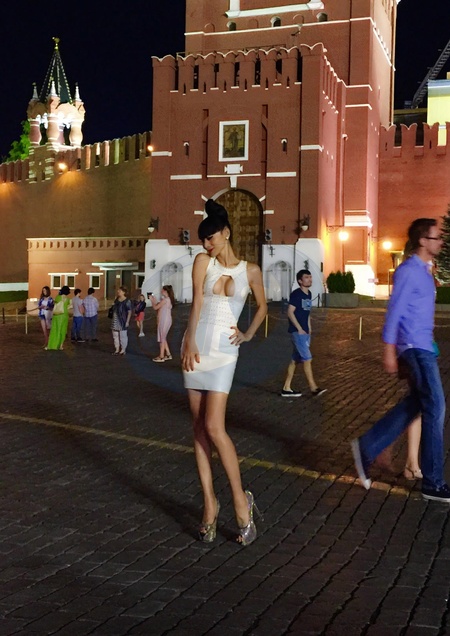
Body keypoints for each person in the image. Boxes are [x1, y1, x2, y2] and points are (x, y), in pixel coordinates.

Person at [182, 199, 267, 545]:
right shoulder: (203, 262)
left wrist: (247, 335)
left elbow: (262, 307)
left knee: (215, 427)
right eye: (203, 239)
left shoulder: (251, 271)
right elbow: (197, 302)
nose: (206, 244)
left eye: (211, 237)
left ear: (226, 233)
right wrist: (189, 341)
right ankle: (210, 503)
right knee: (199, 428)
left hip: (224, 353)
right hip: (197, 348)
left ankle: (240, 501)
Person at [351, 218, 450, 502]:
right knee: (436, 407)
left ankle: (367, 446)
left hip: (424, 346)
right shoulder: (408, 271)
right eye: (436, 237)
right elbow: (394, 310)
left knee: (417, 403)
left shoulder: (425, 271)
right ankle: (432, 481)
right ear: (423, 241)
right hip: (414, 348)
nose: (441, 242)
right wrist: (389, 349)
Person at [281, 269, 326, 398]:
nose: (309, 279)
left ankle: (286, 388)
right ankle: (313, 388)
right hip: (297, 332)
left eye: (310, 277)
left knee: (295, 360)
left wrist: (309, 328)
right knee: (307, 358)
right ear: (300, 281)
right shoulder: (296, 294)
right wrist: (299, 328)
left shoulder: (309, 294)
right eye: (306, 277)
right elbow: (290, 312)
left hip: (305, 332)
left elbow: (307, 312)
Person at [150, 285, 175, 361]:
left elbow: (155, 307)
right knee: (163, 337)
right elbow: (158, 306)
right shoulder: (167, 300)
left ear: (165, 291)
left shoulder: (165, 300)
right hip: (165, 320)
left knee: (162, 338)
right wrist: (154, 301)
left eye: (162, 290)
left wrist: (152, 300)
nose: (161, 291)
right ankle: (168, 354)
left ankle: (161, 356)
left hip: (164, 320)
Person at [46, 286, 71, 350]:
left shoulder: (58, 297)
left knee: (55, 330)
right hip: (65, 315)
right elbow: (69, 307)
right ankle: (61, 345)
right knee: (63, 330)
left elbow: (54, 303)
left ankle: (53, 345)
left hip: (57, 315)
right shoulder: (68, 299)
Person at [111, 286, 132, 355]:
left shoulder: (127, 301)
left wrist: (127, 321)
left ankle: (123, 349)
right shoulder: (116, 299)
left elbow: (129, 311)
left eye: (119, 291)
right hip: (115, 319)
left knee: (123, 336)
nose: (118, 292)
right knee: (115, 335)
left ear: (123, 292)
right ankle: (117, 349)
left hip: (122, 320)